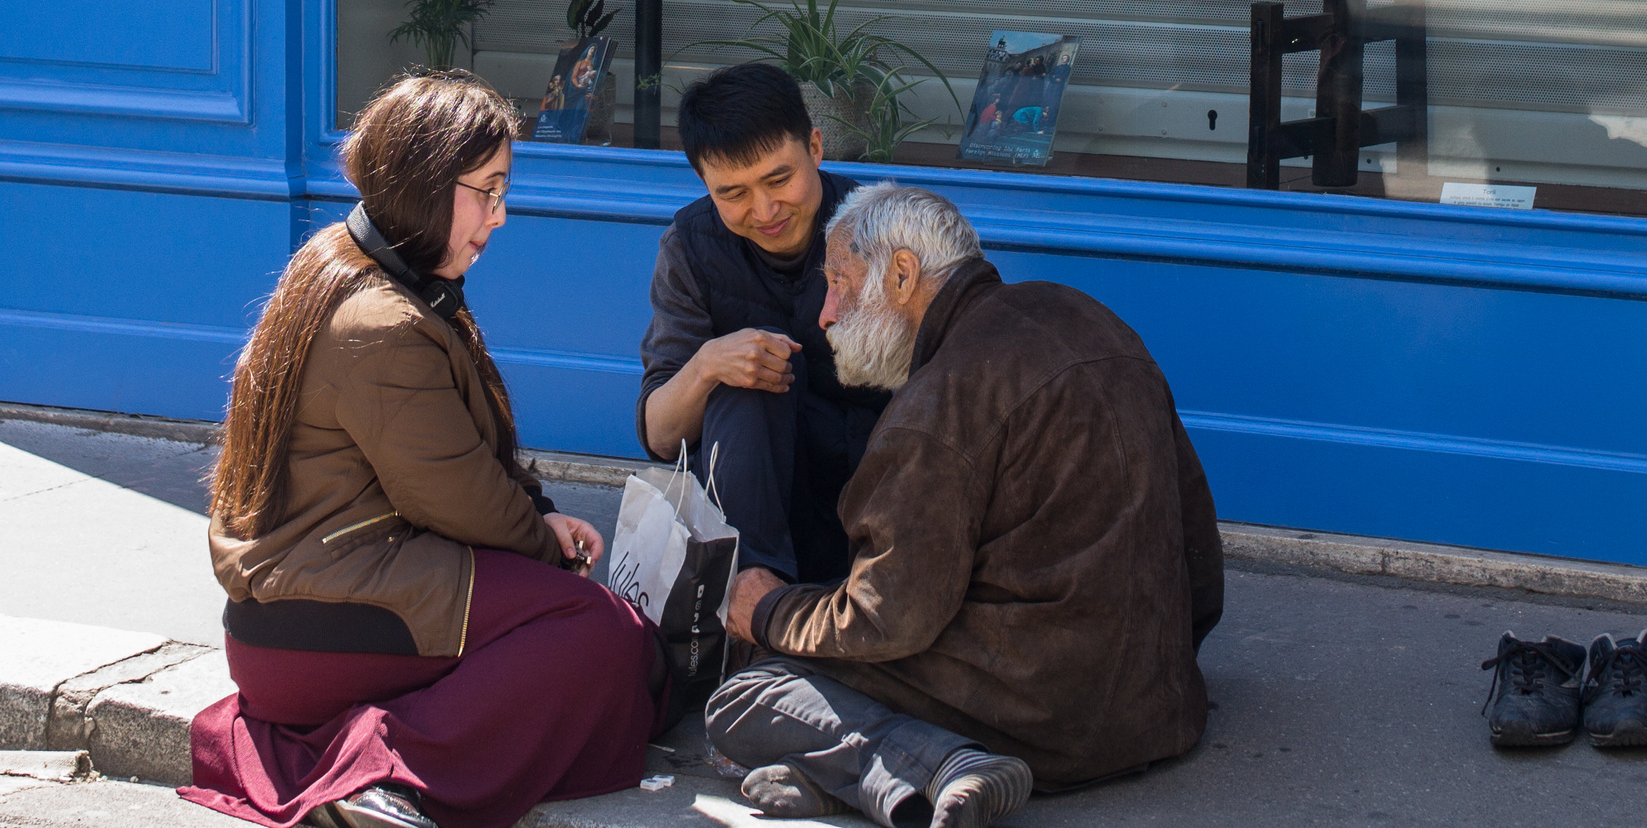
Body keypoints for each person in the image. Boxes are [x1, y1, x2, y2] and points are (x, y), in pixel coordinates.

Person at [182, 72, 668, 828]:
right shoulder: (378, 320)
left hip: (317, 602)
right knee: (605, 635)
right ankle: (386, 775)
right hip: (321, 617)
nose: (500, 218)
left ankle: (355, 748)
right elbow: (456, 493)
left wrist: (538, 512)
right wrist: (542, 542)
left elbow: (461, 448)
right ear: (427, 182)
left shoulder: (349, 258)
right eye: (490, 191)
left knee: (610, 633)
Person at [705, 183, 1224, 828]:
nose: (826, 314)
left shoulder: (938, 402)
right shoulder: (1086, 316)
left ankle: (939, 767)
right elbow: (1200, 557)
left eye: (839, 283)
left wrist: (768, 611)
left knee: (750, 692)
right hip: (1159, 707)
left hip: (1039, 722)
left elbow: (885, 620)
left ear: (901, 274)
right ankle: (857, 785)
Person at [638, 62, 890, 586]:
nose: (765, 208)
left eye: (780, 178)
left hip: (875, 503)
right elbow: (661, 435)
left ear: (815, 148)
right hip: (753, 505)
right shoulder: (690, 246)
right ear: (704, 183)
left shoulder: (884, 231)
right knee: (743, 382)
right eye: (732, 193)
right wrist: (707, 365)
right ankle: (753, 600)